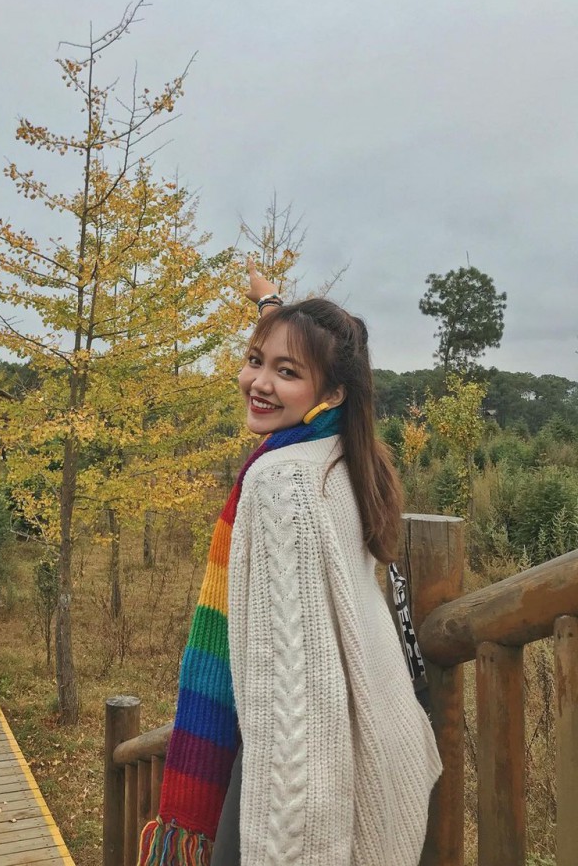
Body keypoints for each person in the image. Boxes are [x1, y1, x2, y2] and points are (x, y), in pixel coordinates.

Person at [138, 262, 442, 866]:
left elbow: (295, 706)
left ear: (333, 393)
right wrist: (270, 303)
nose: (258, 382)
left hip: (302, 783)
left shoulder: (279, 482)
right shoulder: (345, 454)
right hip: (389, 742)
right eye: (255, 360)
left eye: (286, 372)